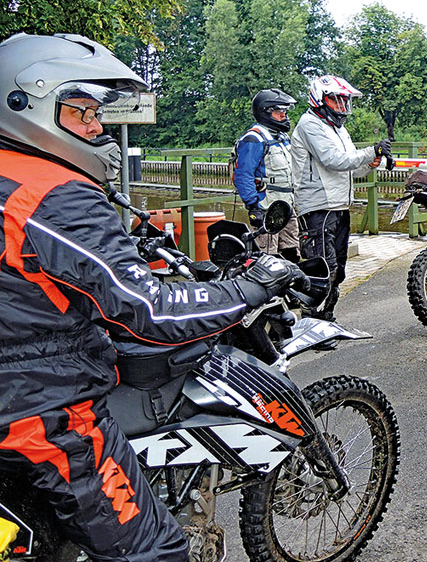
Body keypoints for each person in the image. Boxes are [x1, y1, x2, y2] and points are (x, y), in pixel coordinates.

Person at [0, 33, 304, 562]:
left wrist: (130, 247)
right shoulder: (53, 194)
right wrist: (246, 287)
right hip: (40, 405)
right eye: (82, 113)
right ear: (30, 103)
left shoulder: (10, 175)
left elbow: (41, 265)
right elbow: (150, 310)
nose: (97, 128)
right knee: (157, 551)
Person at [291, 75, 391, 320]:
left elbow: (351, 167)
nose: (342, 106)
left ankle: (327, 317)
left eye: (345, 100)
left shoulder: (338, 129)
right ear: (320, 99)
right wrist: (371, 151)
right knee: (323, 267)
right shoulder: (310, 124)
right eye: (337, 100)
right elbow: (332, 160)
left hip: (339, 205)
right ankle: (311, 319)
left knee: (340, 269)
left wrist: (372, 162)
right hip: (318, 207)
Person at [232, 88, 300, 261]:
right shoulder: (254, 139)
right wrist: (253, 206)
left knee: (291, 252)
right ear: (266, 112)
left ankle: (289, 286)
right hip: (267, 206)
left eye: (285, 111)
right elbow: (243, 174)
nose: (284, 116)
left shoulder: (282, 137)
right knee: (267, 256)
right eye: (279, 112)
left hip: (286, 206)